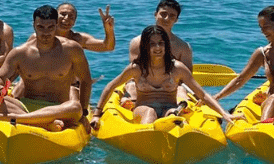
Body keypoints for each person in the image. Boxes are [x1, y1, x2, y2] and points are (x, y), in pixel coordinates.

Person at [92, 25, 232, 127]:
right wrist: (97, 115)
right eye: (152, 44)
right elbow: (110, 87)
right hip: (144, 107)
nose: (157, 48)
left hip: (169, 107)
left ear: (166, 46)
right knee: (149, 114)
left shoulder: (177, 68)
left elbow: (202, 94)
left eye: (161, 43)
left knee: (173, 116)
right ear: (145, 47)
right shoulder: (136, 68)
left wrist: (224, 113)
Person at [0, 5, 92, 130]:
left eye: (50, 27)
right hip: (25, 106)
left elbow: (86, 80)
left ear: (56, 25)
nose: (45, 33)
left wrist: (83, 113)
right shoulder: (20, 53)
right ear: (34, 25)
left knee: (75, 107)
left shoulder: (72, 49)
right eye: (41, 27)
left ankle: (18, 119)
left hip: (59, 108)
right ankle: (43, 123)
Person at [213, 6, 274, 121]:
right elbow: (240, 80)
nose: (263, 32)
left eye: (266, 27)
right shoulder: (262, 53)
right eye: (260, 28)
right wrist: (217, 97)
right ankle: (264, 128)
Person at [25, 2, 115, 52]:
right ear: (55, 17)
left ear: (74, 22)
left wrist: (109, 30)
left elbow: (108, 47)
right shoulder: (38, 38)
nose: (66, 18)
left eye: (71, 17)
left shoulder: (78, 39)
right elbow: (21, 60)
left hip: (71, 84)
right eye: (63, 14)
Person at [129, 0, 192, 69]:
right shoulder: (137, 42)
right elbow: (134, 72)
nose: (167, 18)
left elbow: (187, 77)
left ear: (176, 20)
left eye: (172, 16)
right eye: (163, 14)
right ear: (155, 14)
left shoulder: (183, 47)